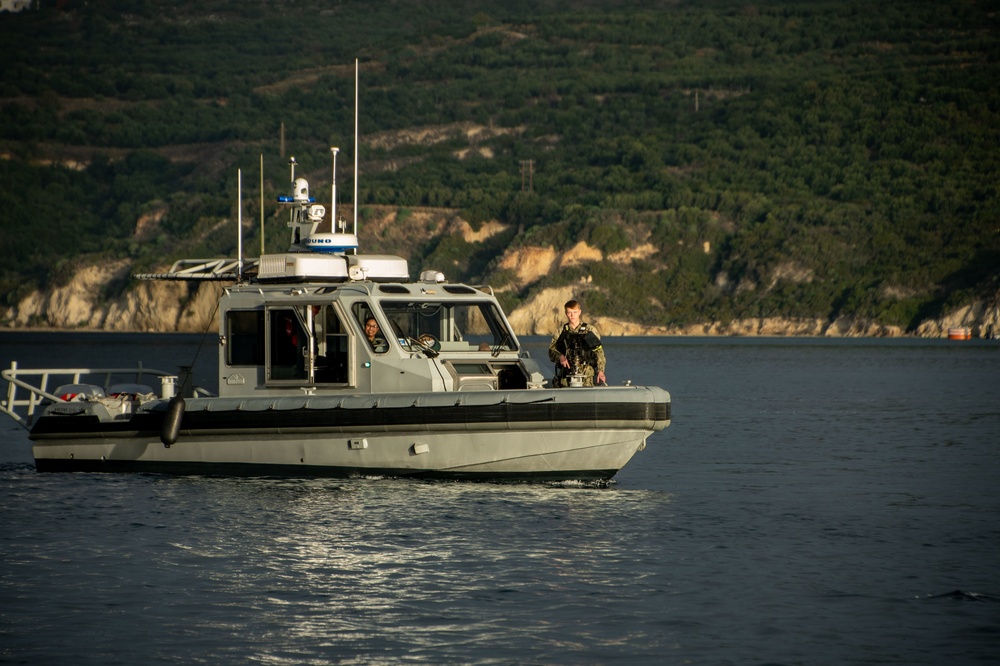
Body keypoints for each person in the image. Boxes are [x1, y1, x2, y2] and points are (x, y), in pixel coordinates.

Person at [548, 299, 606, 387]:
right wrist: (560, 356)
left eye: (575, 312)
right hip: (566, 375)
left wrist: (600, 371)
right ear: (566, 313)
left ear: (579, 312)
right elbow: (551, 350)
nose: (572, 315)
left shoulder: (589, 330)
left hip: (586, 375)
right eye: (569, 312)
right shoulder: (561, 332)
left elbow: (599, 351)